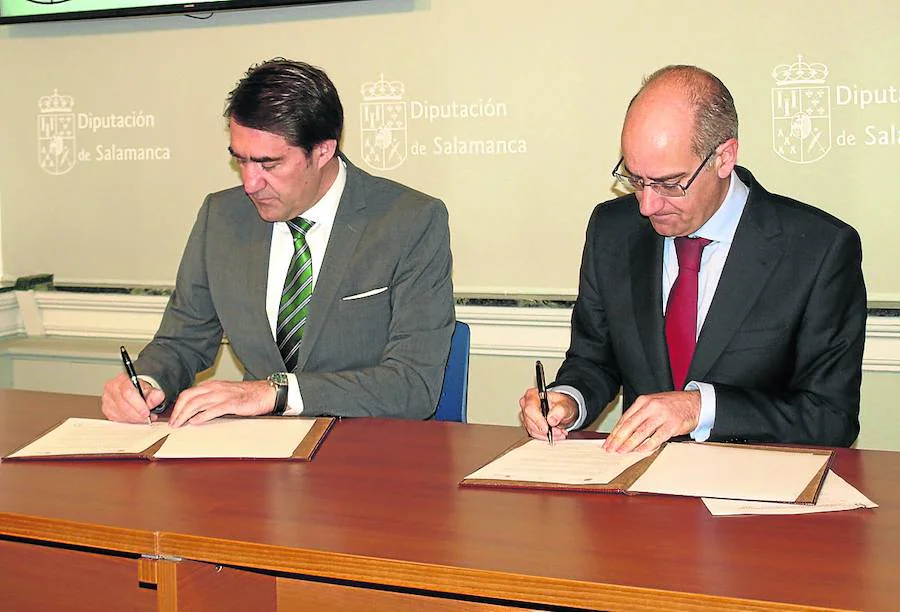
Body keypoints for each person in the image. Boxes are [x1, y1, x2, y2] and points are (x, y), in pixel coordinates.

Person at [520, 65, 866, 452]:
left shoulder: (818, 249)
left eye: (669, 184)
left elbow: (830, 417)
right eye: (635, 179)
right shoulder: (612, 230)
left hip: (753, 492)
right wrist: (567, 400)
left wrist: (701, 408)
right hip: (637, 487)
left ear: (724, 157)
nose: (648, 205)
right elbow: (594, 360)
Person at [102, 58, 454, 426]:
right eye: (241, 161)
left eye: (269, 164)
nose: (250, 183)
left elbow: (413, 385)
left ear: (323, 151)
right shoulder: (221, 217)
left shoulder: (409, 221)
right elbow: (182, 340)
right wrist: (145, 382)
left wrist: (277, 392)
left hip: (367, 452)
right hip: (255, 455)